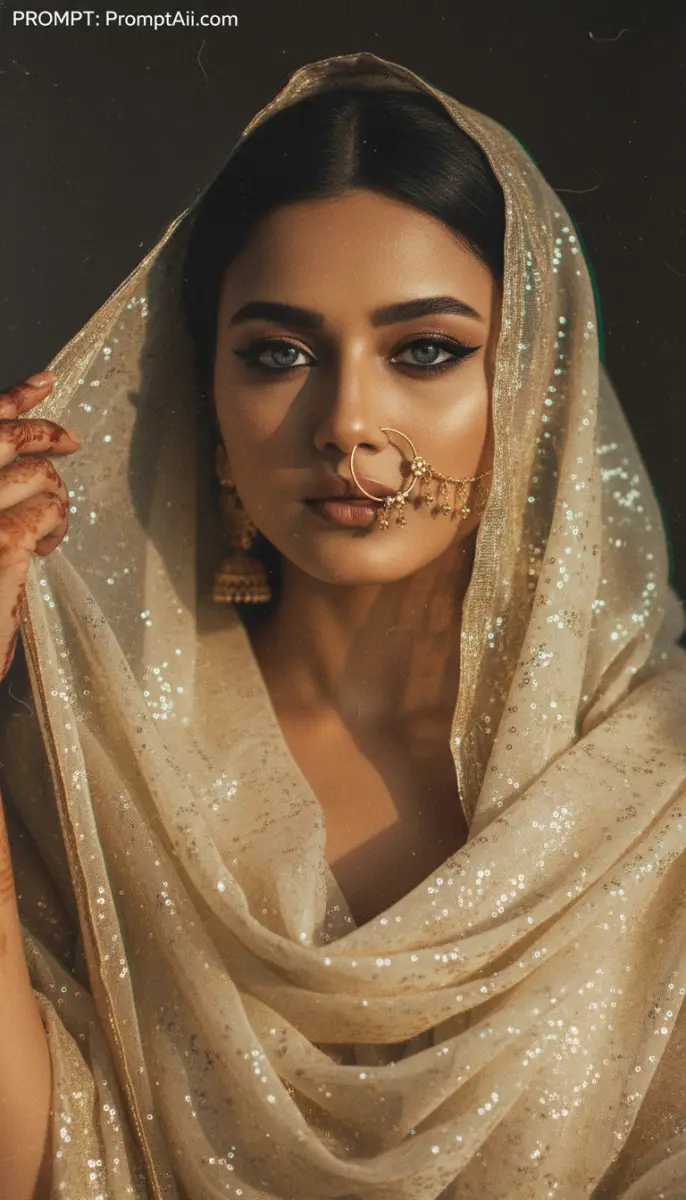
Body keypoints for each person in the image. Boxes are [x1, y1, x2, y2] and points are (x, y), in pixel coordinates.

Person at [0, 50, 684, 1200]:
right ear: (204, 399)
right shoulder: (88, 752)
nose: (348, 422)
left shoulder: (654, 791)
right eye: (278, 355)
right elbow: (33, 1164)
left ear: (530, 386)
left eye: (425, 351)